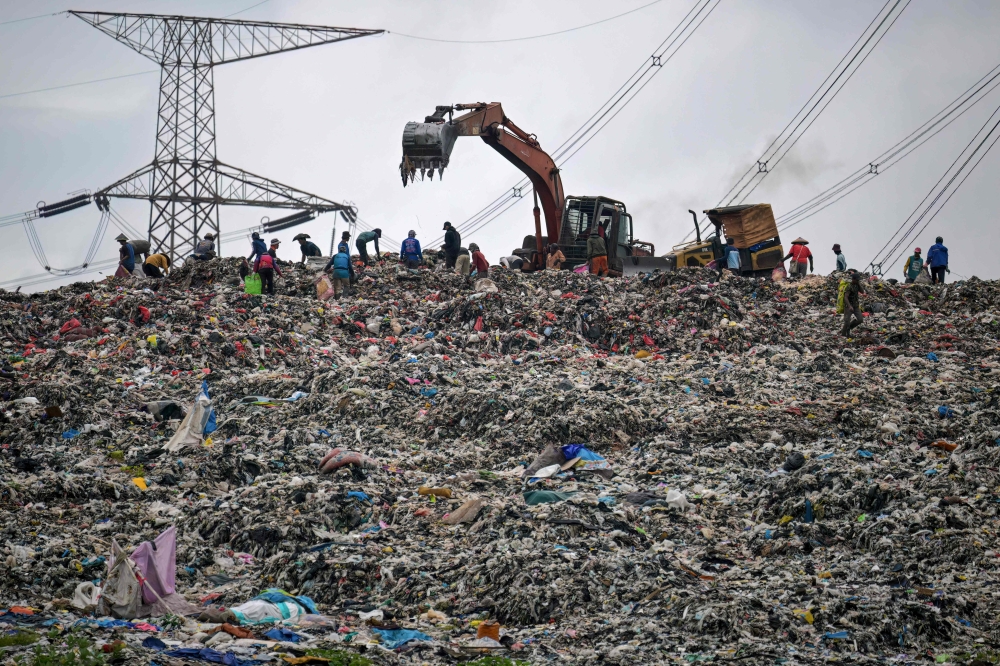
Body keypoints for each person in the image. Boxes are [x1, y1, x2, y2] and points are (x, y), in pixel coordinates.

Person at [841, 270, 865, 337]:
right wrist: (849, 306)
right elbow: (845, 297)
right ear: (853, 279)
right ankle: (843, 335)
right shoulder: (849, 286)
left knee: (860, 319)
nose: (858, 281)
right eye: (857, 280)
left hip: (856, 305)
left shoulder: (857, 285)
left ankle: (849, 328)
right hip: (848, 306)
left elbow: (862, 292)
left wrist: (858, 284)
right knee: (847, 321)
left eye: (858, 280)